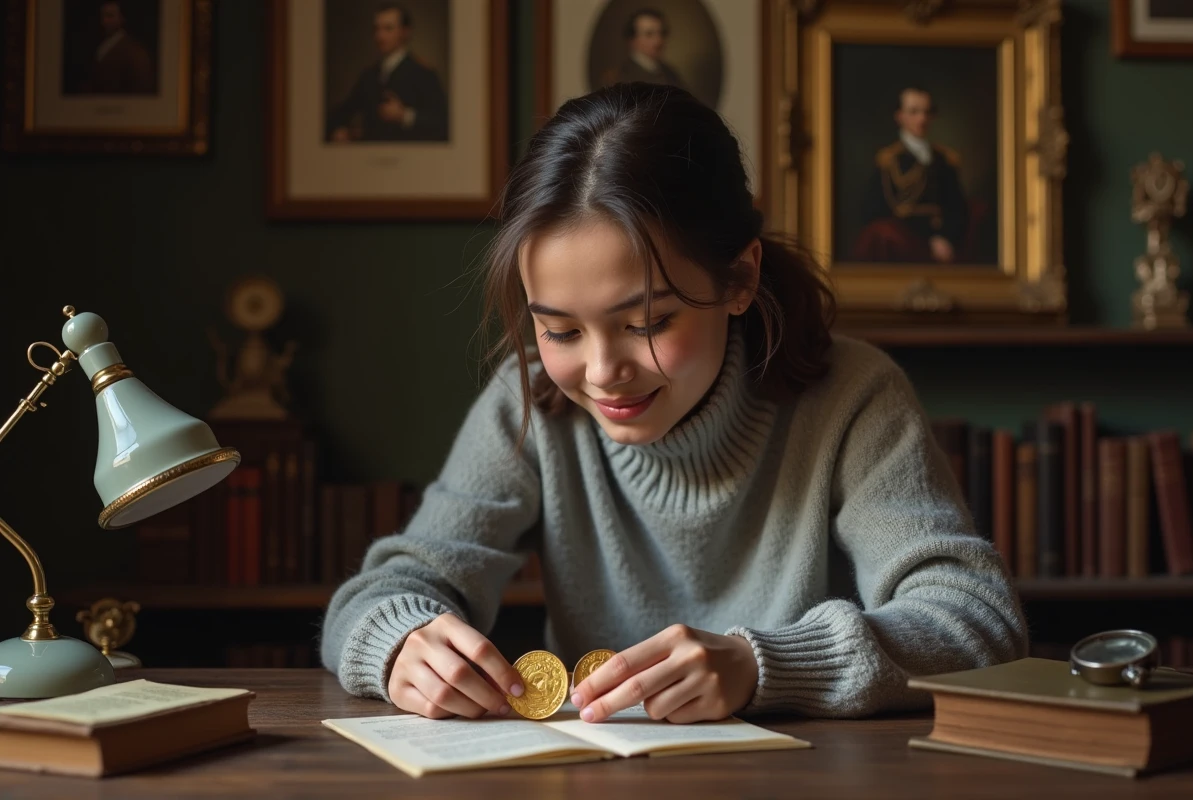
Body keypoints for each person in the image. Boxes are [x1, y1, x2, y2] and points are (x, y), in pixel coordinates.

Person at [320, 82, 1026, 724]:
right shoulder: (528, 397)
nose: (602, 374)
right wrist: (399, 640)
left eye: (648, 323)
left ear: (740, 277)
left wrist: (760, 666)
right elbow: (384, 591)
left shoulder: (854, 395)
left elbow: (975, 621)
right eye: (559, 329)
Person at [852, 87, 970, 264]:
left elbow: (957, 207)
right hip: (903, 240)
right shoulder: (889, 160)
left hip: (941, 241)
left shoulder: (944, 159)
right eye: (914, 112)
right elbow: (874, 211)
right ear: (900, 116)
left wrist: (946, 238)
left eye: (926, 112)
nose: (921, 119)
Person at [325, 3, 448, 143]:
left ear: (405, 32)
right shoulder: (369, 75)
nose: (380, 35)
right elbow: (345, 110)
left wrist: (404, 116)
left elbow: (442, 123)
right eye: (377, 29)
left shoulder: (424, 74)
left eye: (388, 29)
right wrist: (339, 128)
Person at [79, 0, 154, 95]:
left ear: (122, 18)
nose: (104, 21)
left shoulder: (134, 51)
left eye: (110, 16)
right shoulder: (100, 46)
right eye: (102, 16)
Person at [601, 9, 686, 92]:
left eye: (662, 33)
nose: (658, 40)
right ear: (632, 40)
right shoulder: (617, 77)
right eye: (649, 34)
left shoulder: (670, 72)